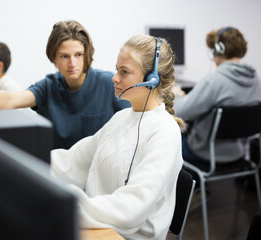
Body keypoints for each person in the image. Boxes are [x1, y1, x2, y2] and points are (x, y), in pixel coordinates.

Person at [51, 35, 185, 239]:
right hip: (101, 226)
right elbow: (74, 161)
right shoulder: (121, 118)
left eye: (124, 72)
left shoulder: (164, 132)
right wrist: (29, 162)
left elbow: (130, 209)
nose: (115, 78)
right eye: (117, 69)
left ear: (151, 80)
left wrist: (68, 204)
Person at [0, 20, 130, 149]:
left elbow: (134, 126)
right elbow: (11, 99)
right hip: (60, 174)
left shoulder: (109, 83)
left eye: (78, 55)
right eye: (65, 56)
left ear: (87, 55)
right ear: (54, 58)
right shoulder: (48, 86)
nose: (72, 63)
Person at [173, 27, 261, 164]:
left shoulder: (214, 82)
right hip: (240, 152)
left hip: (206, 153)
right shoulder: (255, 79)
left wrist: (176, 95)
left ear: (218, 50)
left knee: (171, 142)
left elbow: (180, 112)